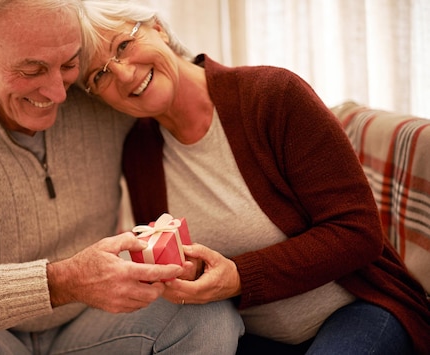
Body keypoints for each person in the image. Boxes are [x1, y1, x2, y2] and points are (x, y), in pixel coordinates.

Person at [0, 0, 244, 354]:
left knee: (207, 317)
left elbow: (172, 88)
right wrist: (61, 281)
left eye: (69, 64)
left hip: (90, 324)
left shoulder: (98, 95)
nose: (58, 92)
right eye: (32, 69)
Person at [79, 1, 430, 354]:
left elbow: (358, 231)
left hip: (357, 308)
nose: (123, 74)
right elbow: (182, 263)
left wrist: (239, 277)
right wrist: (191, 270)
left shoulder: (273, 95)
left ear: (158, 28)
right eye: (100, 75)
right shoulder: (139, 153)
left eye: (123, 45)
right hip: (250, 334)